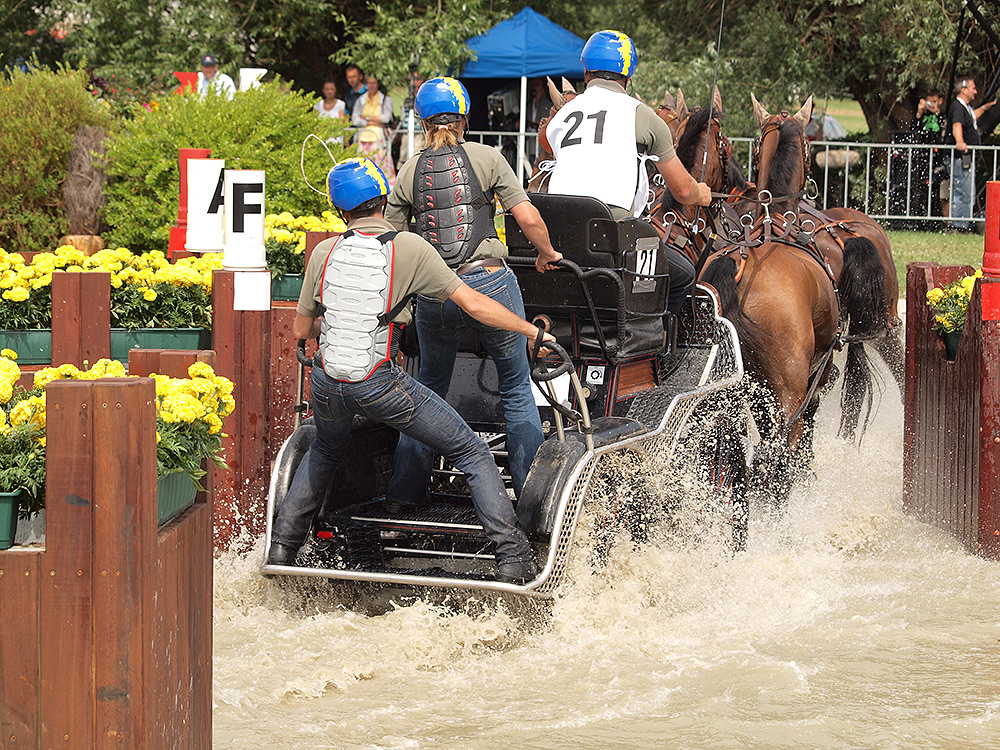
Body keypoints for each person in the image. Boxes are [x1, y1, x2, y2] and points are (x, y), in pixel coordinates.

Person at [267, 157, 552, 584]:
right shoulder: (410, 247)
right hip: (378, 380)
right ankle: (514, 559)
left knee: (326, 450)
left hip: (327, 381)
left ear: (339, 210)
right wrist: (531, 331)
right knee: (471, 451)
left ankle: (281, 551)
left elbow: (302, 328)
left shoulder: (324, 251)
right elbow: (474, 304)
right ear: (384, 200)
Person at [384, 76, 562, 512]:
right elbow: (528, 216)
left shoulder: (409, 170)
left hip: (436, 293)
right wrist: (548, 254)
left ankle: (403, 497)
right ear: (464, 117)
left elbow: (389, 238)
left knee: (428, 389)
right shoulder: (487, 157)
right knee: (518, 387)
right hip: (490, 282)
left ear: (423, 121)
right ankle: (531, 502)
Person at [543, 30, 711, 317]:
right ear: (628, 76)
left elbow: (546, 141)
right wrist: (701, 193)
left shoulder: (564, 114)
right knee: (682, 273)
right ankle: (651, 345)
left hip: (556, 231)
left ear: (585, 73)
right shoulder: (643, 116)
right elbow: (683, 191)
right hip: (612, 234)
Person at [946, 75, 995, 232]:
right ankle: (958, 226)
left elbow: (972, 116)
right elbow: (957, 125)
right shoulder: (958, 107)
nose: (976, 92)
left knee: (967, 192)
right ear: (964, 89)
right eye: (973, 88)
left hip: (966, 157)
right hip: (960, 157)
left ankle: (963, 224)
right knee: (961, 191)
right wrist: (960, 141)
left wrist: (987, 107)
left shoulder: (965, 107)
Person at [351, 73, 396, 181]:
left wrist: (365, 118)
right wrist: (373, 120)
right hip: (362, 139)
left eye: (374, 83)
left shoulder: (385, 99)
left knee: (381, 167)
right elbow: (355, 118)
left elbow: (386, 118)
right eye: (369, 83)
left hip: (379, 139)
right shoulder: (361, 100)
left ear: (378, 84)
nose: (371, 86)